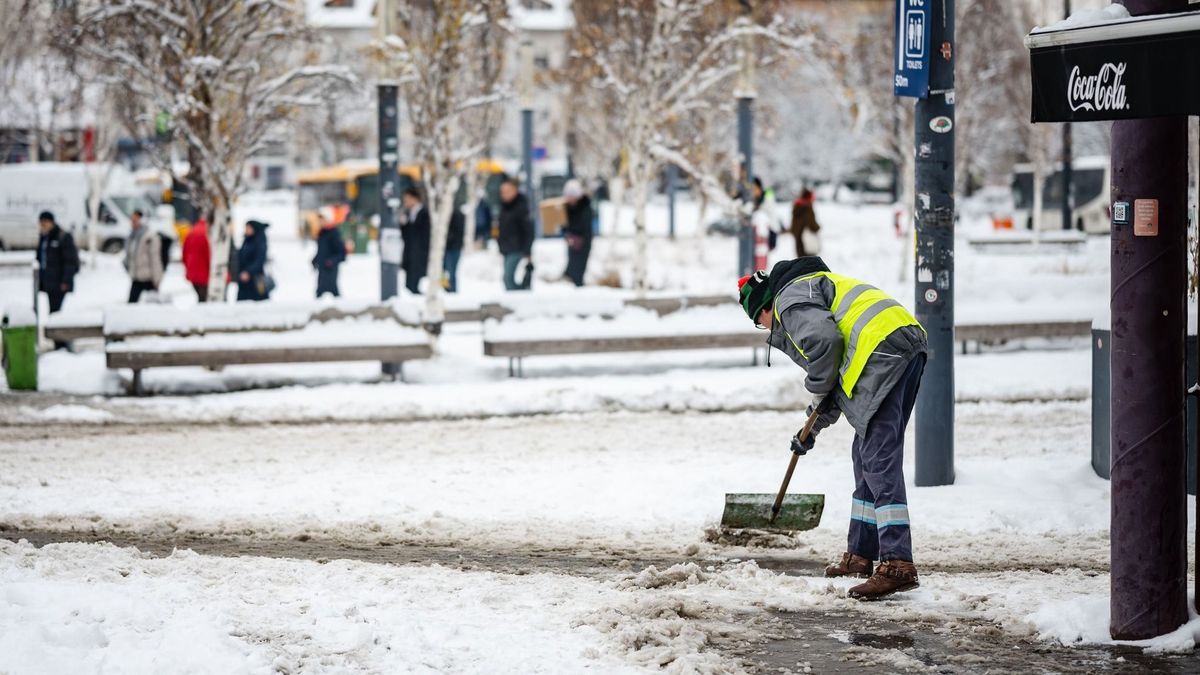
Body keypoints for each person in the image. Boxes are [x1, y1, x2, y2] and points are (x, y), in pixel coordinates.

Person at [737, 257, 927, 600]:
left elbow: (825, 345)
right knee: (865, 455)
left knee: (878, 457)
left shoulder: (788, 300)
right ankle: (860, 554)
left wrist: (816, 392)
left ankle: (898, 563)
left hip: (882, 351)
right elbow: (833, 380)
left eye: (759, 322)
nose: (766, 329)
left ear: (763, 309)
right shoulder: (807, 288)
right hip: (898, 344)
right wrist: (811, 428)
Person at [36, 211, 79, 314]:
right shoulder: (44, 237)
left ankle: (54, 328)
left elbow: (71, 261)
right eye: (41, 223)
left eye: (45, 223)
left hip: (59, 281)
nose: (43, 226)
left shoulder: (63, 237)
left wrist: (66, 281)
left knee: (55, 310)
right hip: (48, 280)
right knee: (52, 309)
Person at [497, 177, 534, 291]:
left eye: (507, 191)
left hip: (517, 248)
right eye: (502, 192)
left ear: (514, 190)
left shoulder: (521, 207)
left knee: (508, 279)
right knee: (507, 279)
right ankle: (520, 295)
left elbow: (529, 230)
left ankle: (518, 299)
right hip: (506, 248)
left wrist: (528, 250)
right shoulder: (504, 208)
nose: (504, 195)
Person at [124, 209, 163, 303]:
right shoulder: (131, 237)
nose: (132, 223)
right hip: (136, 277)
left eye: (135, 220)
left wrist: (157, 279)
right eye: (132, 220)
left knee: (153, 305)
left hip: (149, 278)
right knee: (131, 304)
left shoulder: (150, 237)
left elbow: (155, 258)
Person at [562, 179, 593, 287]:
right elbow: (564, 224)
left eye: (572, 195)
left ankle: (579, 289)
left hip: (582, 243)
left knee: (578, 270)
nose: (569, 198)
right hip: (572, 242)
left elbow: (583, 226)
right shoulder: (568, 208)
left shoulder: (585, 207)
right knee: (571, 269)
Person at [400, 187, 430, 295]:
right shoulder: (408, 213)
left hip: (420, 250)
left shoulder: (425, 213)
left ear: (415, 199)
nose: (405, 202)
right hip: (410, 250)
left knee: (415, 278)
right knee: (409, 282)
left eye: (407, 199)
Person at [313, 215, 347, 298]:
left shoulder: (334, 233)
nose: (321, 222)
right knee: (320, 291)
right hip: (322, 267)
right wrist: (315, 260)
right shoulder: (322, 233)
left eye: (323, 220)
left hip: (330, 267)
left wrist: (332, 261)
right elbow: (321, 250)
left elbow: (341, 252)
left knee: (333, 290)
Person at [236, 220, 270, 301]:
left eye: (248, 228)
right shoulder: (247, 240)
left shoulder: (260, 241)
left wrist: (248, 272)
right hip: (243, 279)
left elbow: (260, 260)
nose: (246, 230)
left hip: (255, 279)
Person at [182, 213, 212, 302]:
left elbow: (184, 252)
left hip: (193, 270)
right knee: (205, 298)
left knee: (200, 296)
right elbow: (210, 255)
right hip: (206, 271)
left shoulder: (191, 231)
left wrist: (187, 267)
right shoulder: (209, 232)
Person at [791, 188, 821, 257]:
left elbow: (794, 222)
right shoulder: (807, 206)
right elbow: (811, 222)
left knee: (800, 258)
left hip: (798, 235)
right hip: (807, 237)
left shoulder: (797, 205)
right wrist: (817, 227)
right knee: (809, 260)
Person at [444, 201, 466, 293]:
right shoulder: (443, 214)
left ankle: (452, 290)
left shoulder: (457, 214)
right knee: (443, 271)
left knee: (451, 271)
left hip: (453, 248)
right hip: (446, 248)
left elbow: (458, 233)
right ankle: (446, 288)